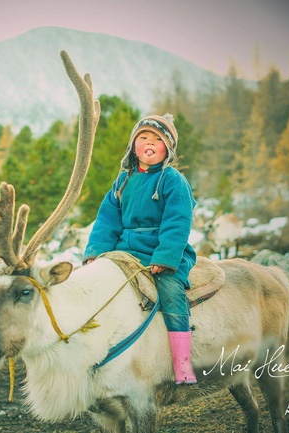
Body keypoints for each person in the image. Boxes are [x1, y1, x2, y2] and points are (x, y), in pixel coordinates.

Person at [83, 114, 198, 385]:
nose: (150, 143)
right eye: (143, 137)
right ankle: (95, 351)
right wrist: (95, 253)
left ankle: (182, 362)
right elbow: (107, 220)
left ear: (167, 149)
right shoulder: (123, 180)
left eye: (157, 139)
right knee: (95, 286)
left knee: (170, 292)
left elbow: (178, 220)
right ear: (133, 145)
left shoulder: (172, 180)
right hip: (124, 251)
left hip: (161, 251)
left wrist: (165, 258)